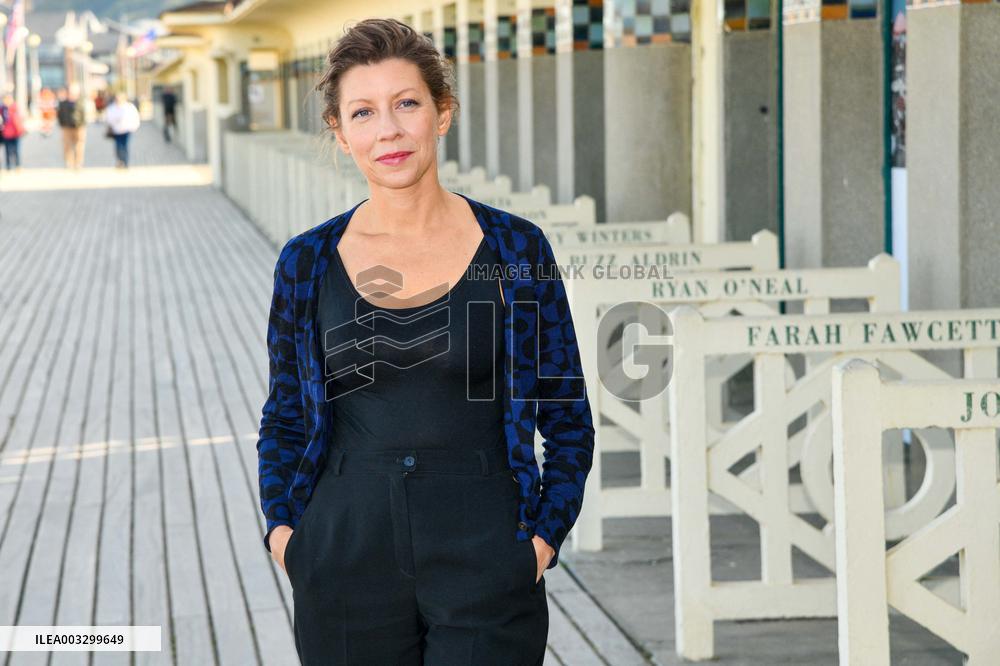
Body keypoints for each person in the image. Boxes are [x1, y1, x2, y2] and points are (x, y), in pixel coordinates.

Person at [256, 17, 595, 665]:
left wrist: (541, 540)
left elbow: (567, 416)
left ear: (442, 114)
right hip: (343, 551)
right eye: (363, 112)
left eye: (406, 103)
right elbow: (286, 417)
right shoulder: (306, 260)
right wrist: (284, 534)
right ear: (341, 133)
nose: (387, 128)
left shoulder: (515, 248)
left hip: (487, 554)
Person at [103, 91, 140, 168]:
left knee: (125, 146)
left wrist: (134, 127)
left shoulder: (129, 107)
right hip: (116, 131)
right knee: (118, 147)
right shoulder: (112, 108)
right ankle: (120, 160)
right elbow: (108, 118)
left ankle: (125, 162)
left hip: (127, 130)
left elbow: (135, 117)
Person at [57, 83, 87, 169]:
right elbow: (60, 115)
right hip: (67, 127)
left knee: (79, 145)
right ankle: (69, 162)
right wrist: (62, 124)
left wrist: (82, 124)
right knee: (67, 145)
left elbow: (84, 115)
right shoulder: (63, 103)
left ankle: (78, 163)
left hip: (79, 127)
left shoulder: (81, 102)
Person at [0, 94, 25, 170]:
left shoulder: (15, 108)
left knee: (17, 150)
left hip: (16, 133)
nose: (7, 101)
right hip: (6, 133)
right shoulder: (2, 109)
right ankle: (8, 166)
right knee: (8, 151)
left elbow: (19, 120)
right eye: (6, 100)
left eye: (9, 99)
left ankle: (18, 165)